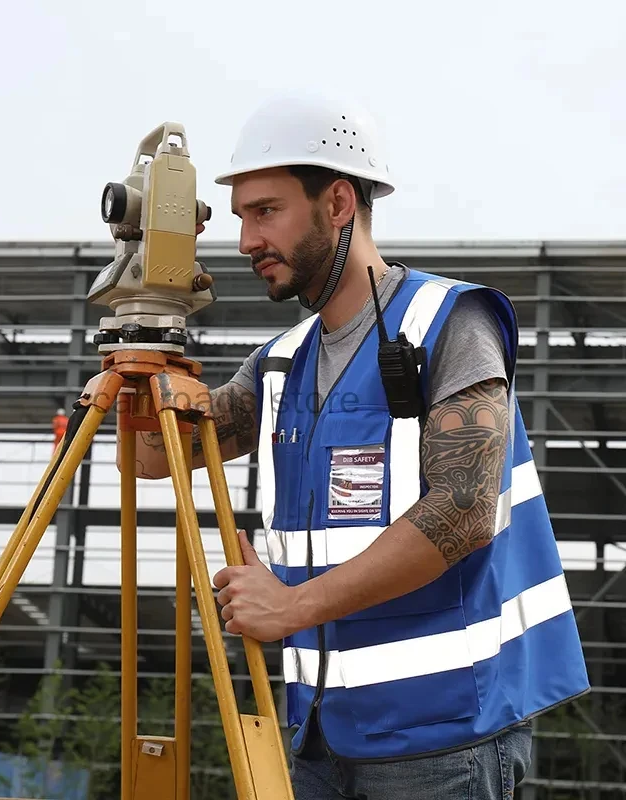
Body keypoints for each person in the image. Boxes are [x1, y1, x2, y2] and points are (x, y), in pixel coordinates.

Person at [124, 91, 590, 799]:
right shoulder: (281, 362)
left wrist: (290, 607)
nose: (247, 240)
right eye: (242, 215)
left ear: (339, 203)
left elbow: (463, 512)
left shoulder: (449, 322)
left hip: (442, 737)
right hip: (317, 733)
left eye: (267, 211)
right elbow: (153, 458)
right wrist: (143, 347)